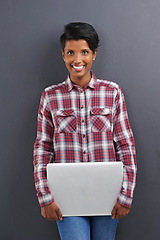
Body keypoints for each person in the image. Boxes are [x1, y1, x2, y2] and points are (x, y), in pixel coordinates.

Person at [33, 22, 137, 240]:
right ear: (63, 55)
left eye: (84, 52)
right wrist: (45, 197)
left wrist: (125, 195)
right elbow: (43, 148)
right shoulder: (50, 96)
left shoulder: (113, 92)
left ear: (94, 54)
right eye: (71, 52)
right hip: (65, 200)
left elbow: (126, 145)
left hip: (108, 198)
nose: (77, 60)